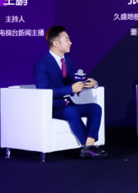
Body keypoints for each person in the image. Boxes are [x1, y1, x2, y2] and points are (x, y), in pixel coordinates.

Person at [34, 26, 106, 158]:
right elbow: (44, 92)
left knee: (95, 108)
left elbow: (70, 81)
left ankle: (89, 144)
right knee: (71, 111)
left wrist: (90, 84)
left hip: (68, 104)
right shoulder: (42, 64)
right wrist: (70, 89)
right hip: (53, 107)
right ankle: (88, 147)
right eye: (67, 40)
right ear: (56, 43)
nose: (70, 42)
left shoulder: (67, 61)